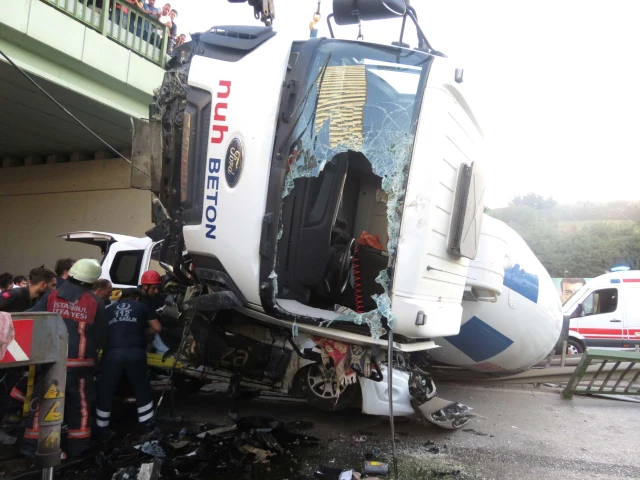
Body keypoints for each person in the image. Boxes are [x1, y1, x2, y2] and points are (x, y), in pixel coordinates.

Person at [23, 259, 105, 458]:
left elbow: (30, 318)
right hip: (80, 366)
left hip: (52, 362)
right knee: (80, 405)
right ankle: (78, 446)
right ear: (92, 281)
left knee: (43, 402)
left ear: (71, 275)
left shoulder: (52, 296)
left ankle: (32, 446)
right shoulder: (96, 302)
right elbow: (101, 337)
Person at [95, 289, 162, 440]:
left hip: (112, 354)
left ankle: (102, 429)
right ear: (137, 298)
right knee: (142, 390)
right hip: (135, 354)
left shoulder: (109, 309)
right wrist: (141, 331)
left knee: (106, 391)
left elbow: (100, 334)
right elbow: (157, 328)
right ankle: (146, 428)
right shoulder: (142, 307)